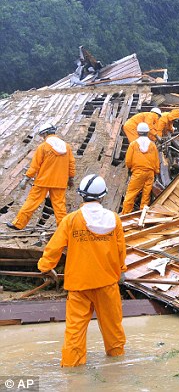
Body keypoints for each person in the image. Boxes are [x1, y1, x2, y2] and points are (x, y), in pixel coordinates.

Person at [38, 174, 126, 367]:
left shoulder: (71, 220)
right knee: (114, 330)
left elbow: (54, 248)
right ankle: (117, 366)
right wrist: (120, 270)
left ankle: (72, 373)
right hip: (107, 285)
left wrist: (45, 267)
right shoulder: (114, 220)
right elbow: (120, 251)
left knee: (74, 332)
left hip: (78, 286)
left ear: (81, 195)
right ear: (102, 196)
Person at [7, 122, 76, 230]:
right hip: (60, 182)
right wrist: (71, 178)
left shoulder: (43, 147)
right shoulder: (66, 147)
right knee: (60, 207)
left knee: (31, 202)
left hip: (43, 181)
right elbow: (71, 164)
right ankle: (64, 230)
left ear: (46, 133)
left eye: (42, 135)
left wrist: (26, 178)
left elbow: (35, 166)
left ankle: (18, 224)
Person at [121, 123, 160, 214]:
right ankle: (143, 214)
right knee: (146, 196)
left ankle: (125, 214)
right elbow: (156, 160)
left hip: (138, 173)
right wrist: (156, 170)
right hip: (150, 173)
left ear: (138, 132)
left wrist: (130, 168)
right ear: (147, 132)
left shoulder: (133, 144)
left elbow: (128, 160)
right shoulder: (152, 145)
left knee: (131, 194)